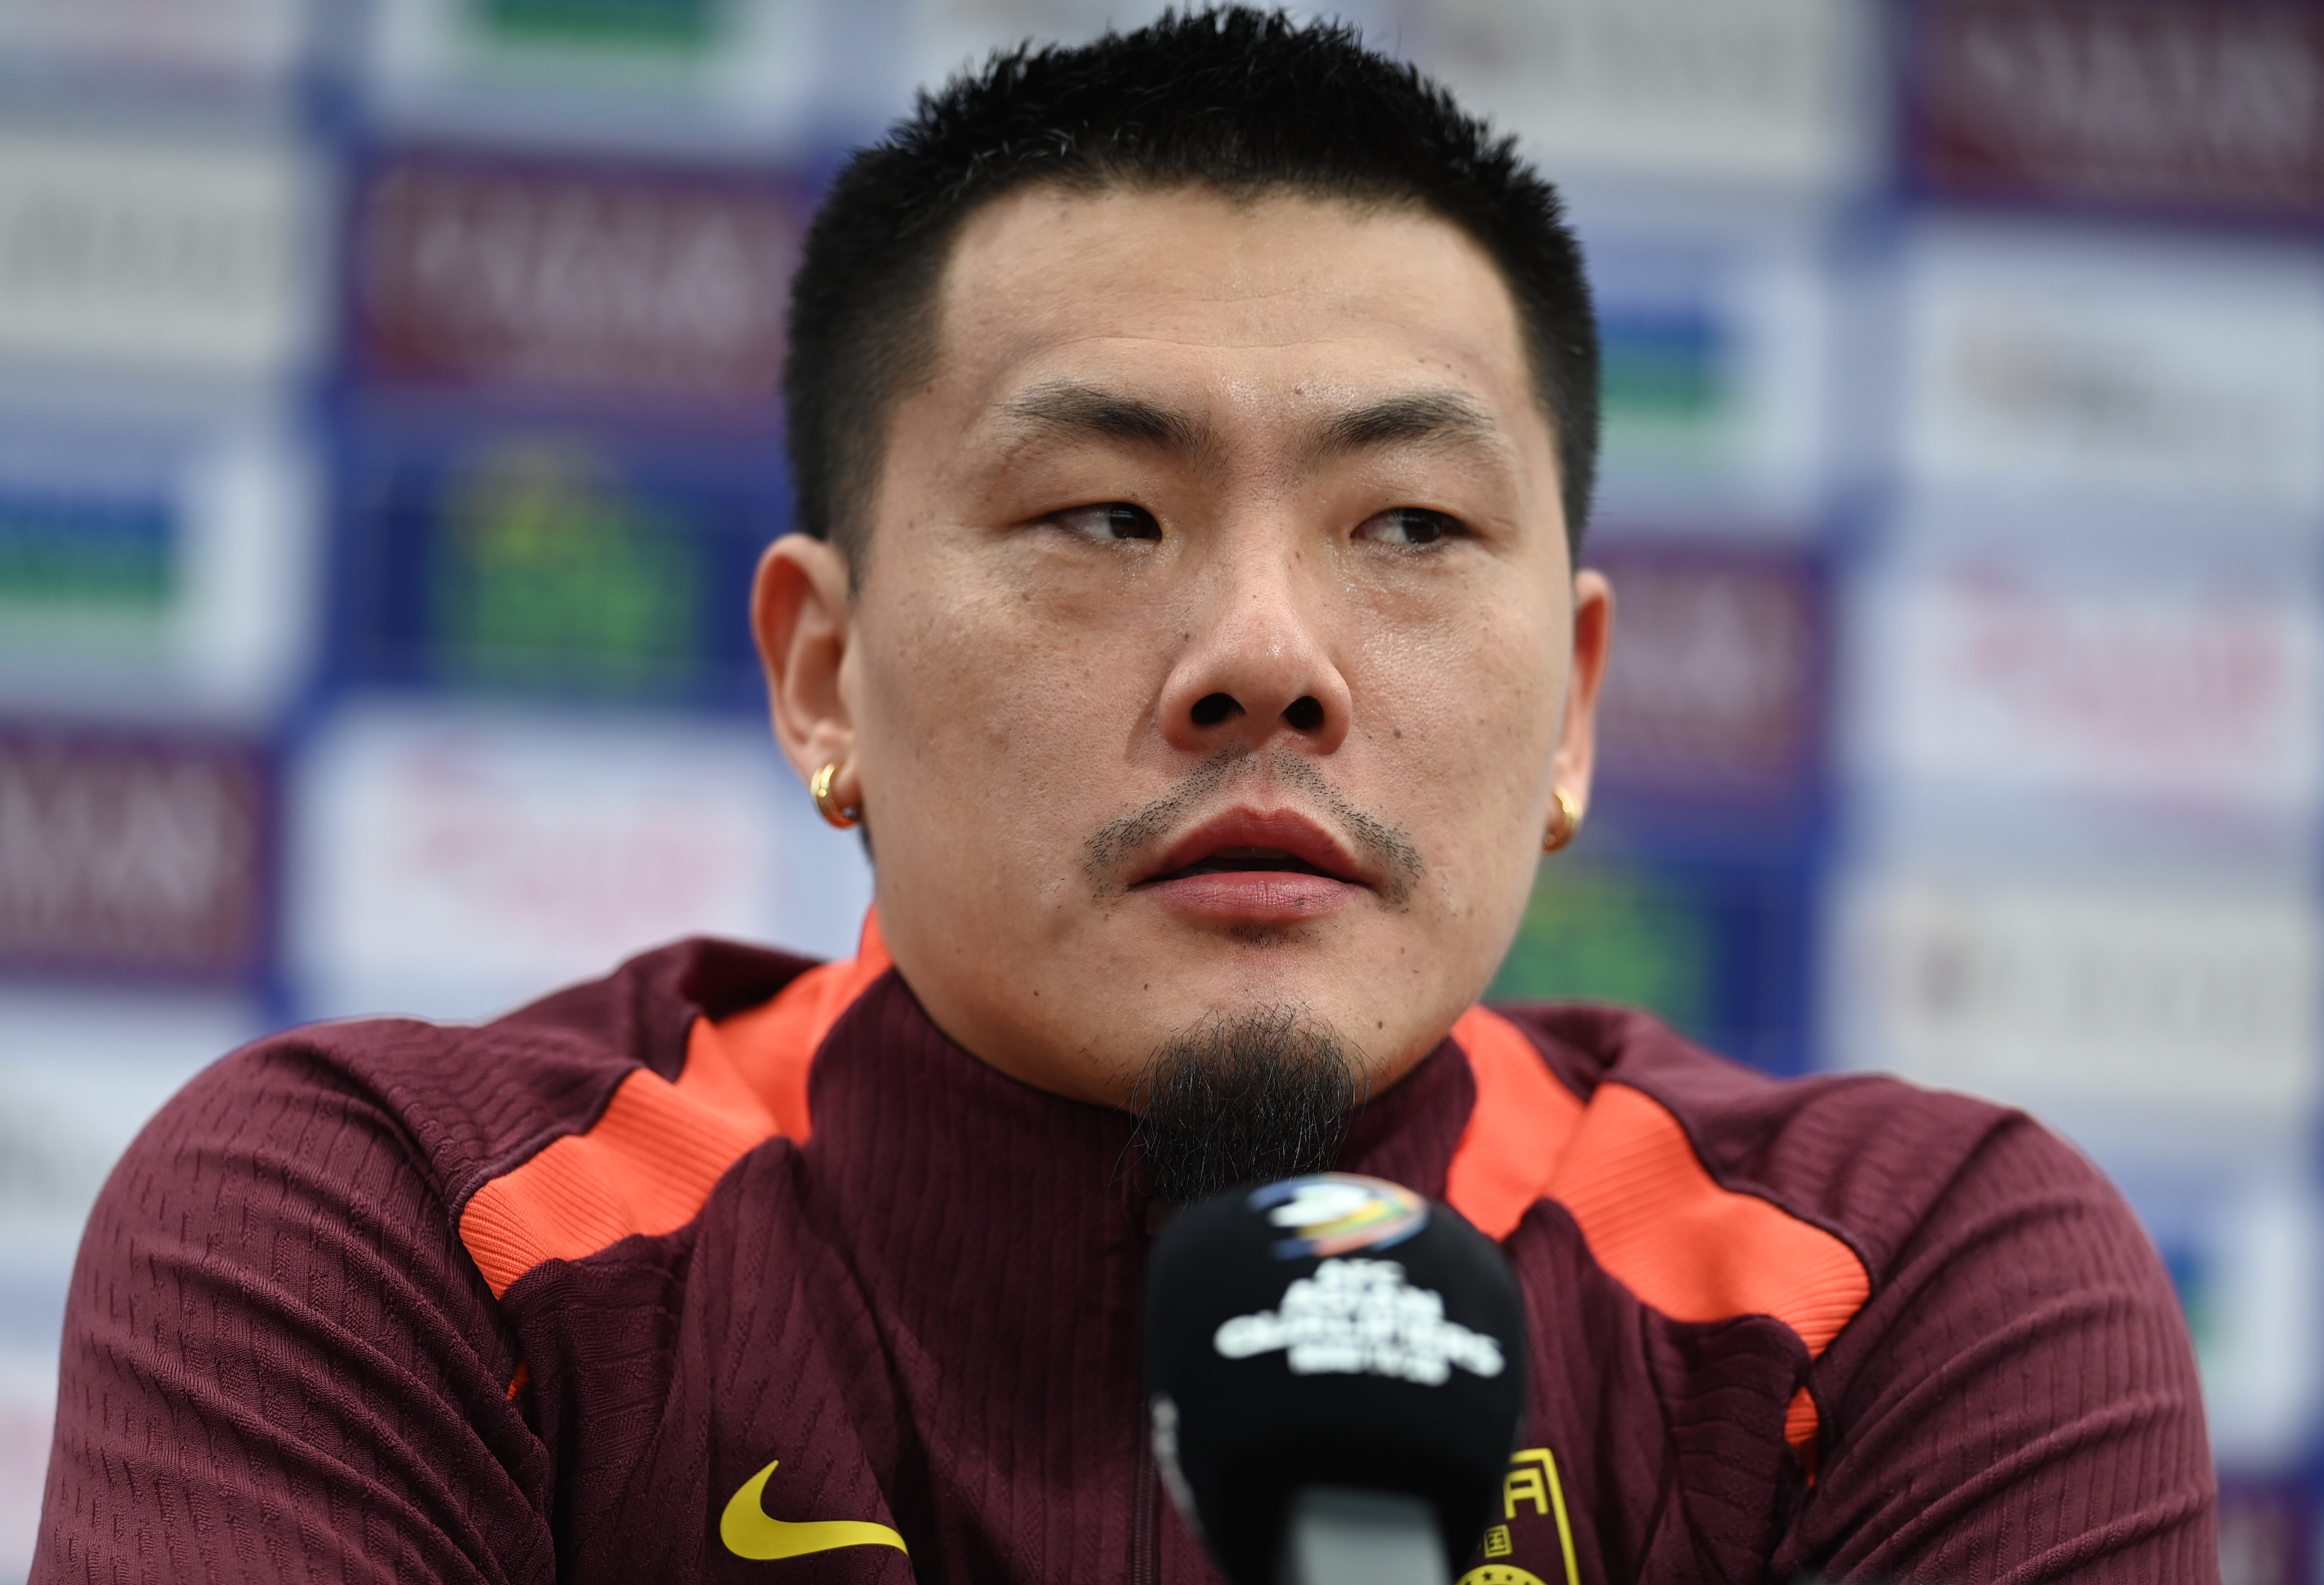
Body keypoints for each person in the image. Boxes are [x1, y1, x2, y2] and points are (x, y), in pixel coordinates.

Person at [34, 11, 2214, 1583]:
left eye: (1411, 526)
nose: (1265, 655)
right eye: (1102, 512)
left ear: (1571, 705)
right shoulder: (414, 1235)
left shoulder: (1896, 1294)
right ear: (824, 674)